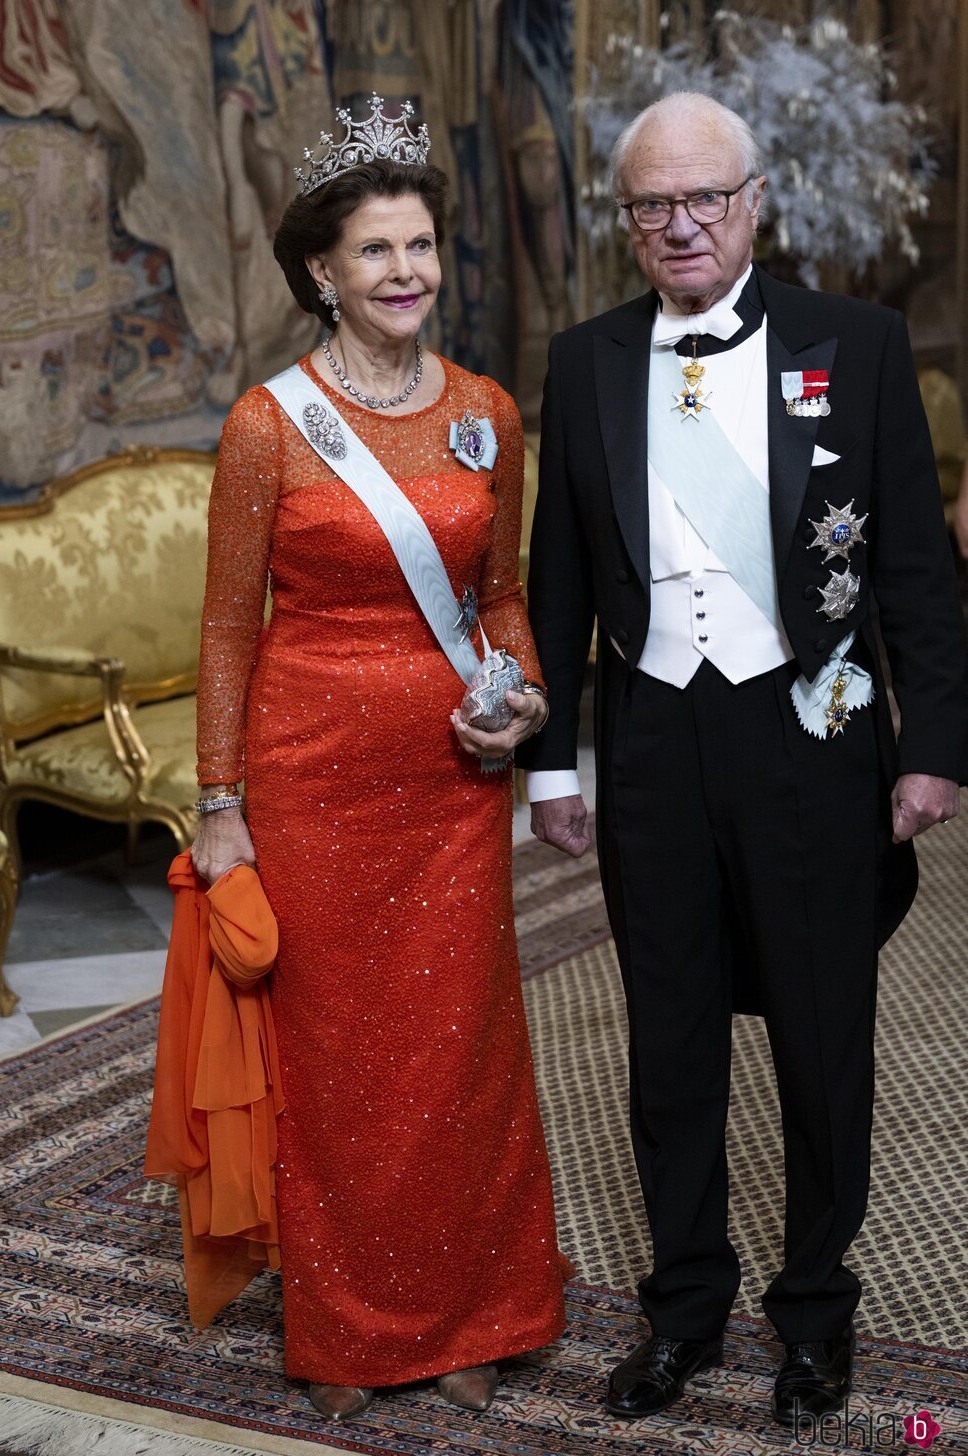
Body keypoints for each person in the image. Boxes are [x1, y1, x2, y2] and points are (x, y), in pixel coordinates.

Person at [517, 91, 967, 1428]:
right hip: (652, 733)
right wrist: (553, 762)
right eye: (651, 204)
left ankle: (815, 1320)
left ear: (757, 200)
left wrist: (932, 745)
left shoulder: (859, 343)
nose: (680, 225)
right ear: (626, 221)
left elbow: (917, 577)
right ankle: (684, 1310)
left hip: (811, 728)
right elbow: (553, 581)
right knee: (667, 1041)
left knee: (824, 1039)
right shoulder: (583, 357)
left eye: (706, 197)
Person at [192, 95, 568, 1424]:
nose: (404, 272)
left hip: (449, 788)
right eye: (375, 251)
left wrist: (517, 702)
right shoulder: (266, 425)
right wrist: (220, 806)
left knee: (457, 1052)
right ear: (321, 273)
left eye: (420, 247)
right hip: (311, 785)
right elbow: (231, 624)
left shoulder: (486, 413)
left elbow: (505, 601)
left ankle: (482, 1311)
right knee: (342, 1061)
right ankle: (352, 1331)